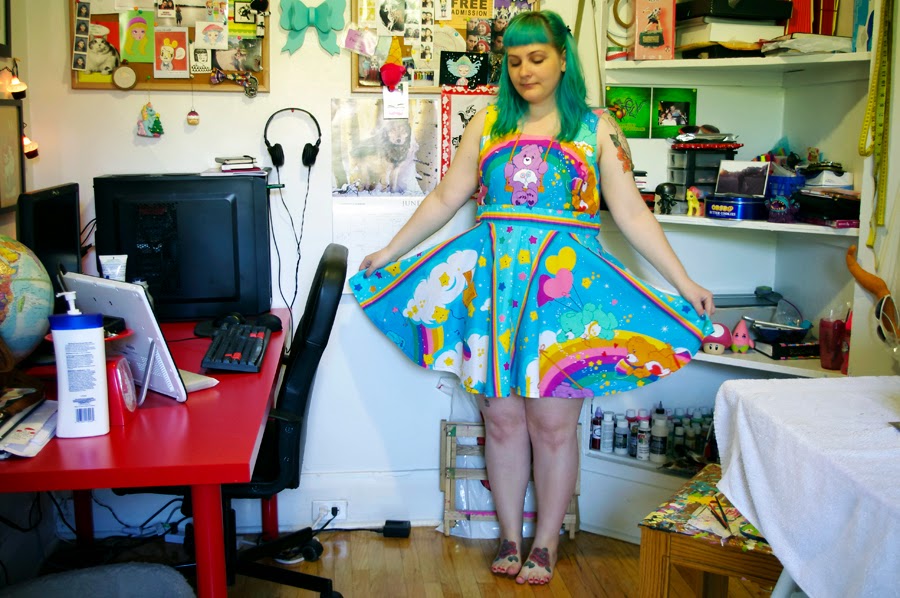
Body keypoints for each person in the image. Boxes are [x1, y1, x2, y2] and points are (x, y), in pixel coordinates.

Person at [350, 10, 714, 586]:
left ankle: (545, 544)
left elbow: (632, 212)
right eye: (515, 61)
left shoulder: (598, 127)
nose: (525, 71)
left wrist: (684, 280)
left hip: (564, 298)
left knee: (552, 425)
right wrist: (392, 251)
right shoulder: (489, 121)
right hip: (495, 293)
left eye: (537, 58)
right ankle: (510, 537)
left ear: (563, 59)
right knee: (501, 421)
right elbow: (446, 197)